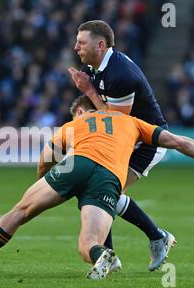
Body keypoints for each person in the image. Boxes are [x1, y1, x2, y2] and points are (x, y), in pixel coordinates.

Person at [0, 95, 194, 279]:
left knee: (20, 212)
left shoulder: (77, 121)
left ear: (85, 109)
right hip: (110, 177)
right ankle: (103, 255)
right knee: (88, 245)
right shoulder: (133, 123)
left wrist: (42, 184)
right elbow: (179, 142)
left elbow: (47, 157)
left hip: (77, 165)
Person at [68, 20, 176, 271]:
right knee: (97, 191)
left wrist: (89, 90)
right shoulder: (98, 67)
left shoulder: (120, 75)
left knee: (102, 193)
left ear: (101, 44)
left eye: (81, 42)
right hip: (128, 140)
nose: (76, 47)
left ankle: (154, 238)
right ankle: (110, 256)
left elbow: (116, 122)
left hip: (148, 141)